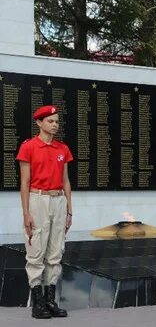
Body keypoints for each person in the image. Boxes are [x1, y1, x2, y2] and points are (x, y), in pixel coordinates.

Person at [16, 105, 73, 319]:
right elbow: (24, 183)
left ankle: (50, 300)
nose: (55, 125)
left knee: (55, 252)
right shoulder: (29, 147)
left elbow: (66, 180)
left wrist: (69, 208)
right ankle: (37, 303)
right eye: (50, 121)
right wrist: (26, 213)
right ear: (39, 123)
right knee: (36, 252)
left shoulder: (62, 149)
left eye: (57, 121)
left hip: (58, 200)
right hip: (37, 199)